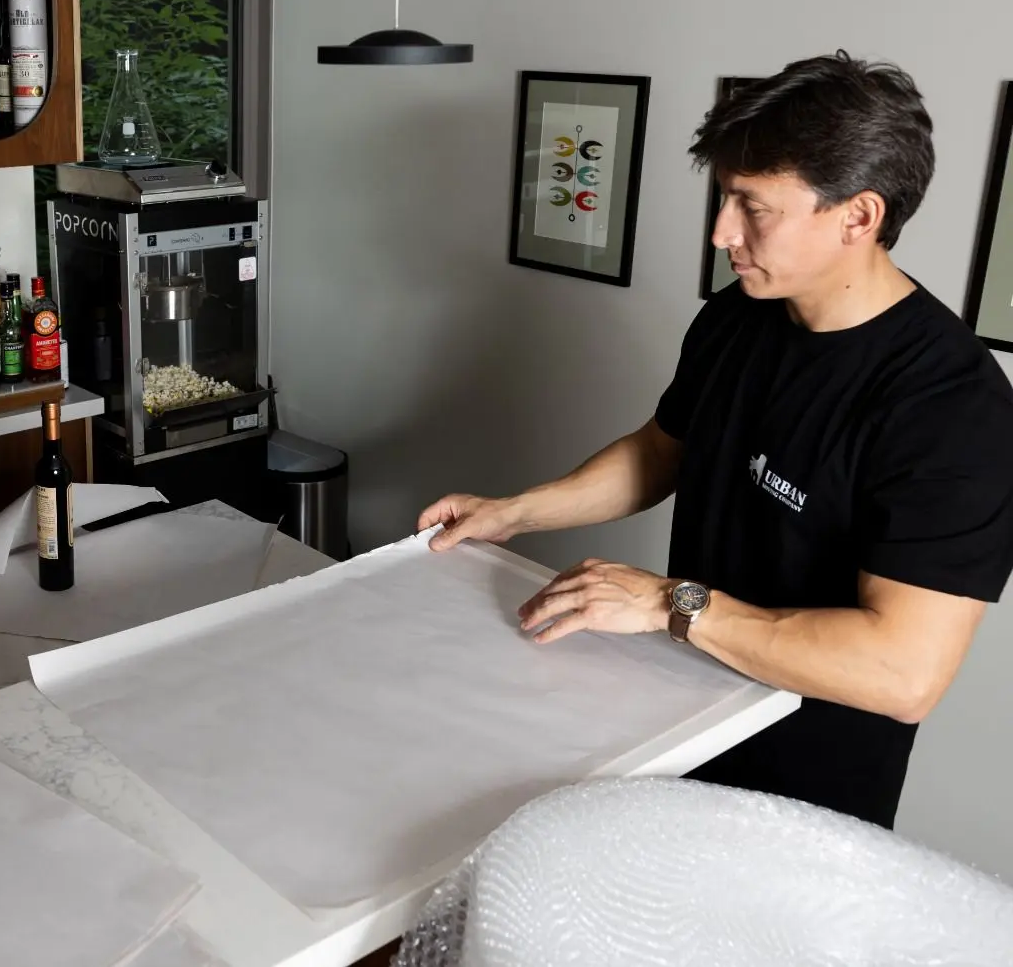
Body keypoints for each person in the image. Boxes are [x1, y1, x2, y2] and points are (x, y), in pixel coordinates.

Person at [419, 51, 1013, 829]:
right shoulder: (740, 315)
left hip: (806, 782)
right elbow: (664, 450)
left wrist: (672, 602)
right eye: (723, 197)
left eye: (751, 205)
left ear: (858, 217)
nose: (720, 232)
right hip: (671, 710)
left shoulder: (953, 408)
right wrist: (518, 512)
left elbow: (902, 672)